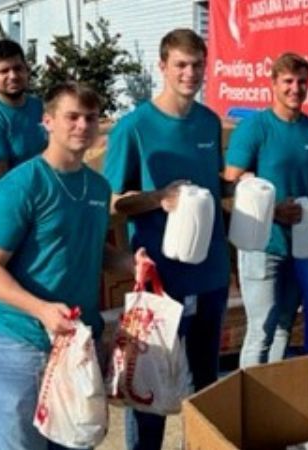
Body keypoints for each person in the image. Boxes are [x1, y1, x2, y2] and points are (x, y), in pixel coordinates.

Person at [0, 82, 127, 450]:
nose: (82, 126)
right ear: (48, 121)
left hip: (78, 343)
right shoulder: (21, 186)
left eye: (91, 118)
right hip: (22, 344)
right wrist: (41, 309)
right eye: (71, 117)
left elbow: (86, 248)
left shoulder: (97, 187)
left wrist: (129, 262)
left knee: (74, 441)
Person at [102, 28, 229, 450]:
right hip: (160, 279)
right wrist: (160, 198)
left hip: (209, 275)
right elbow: (114, 203)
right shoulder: (134, 127)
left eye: (197, 65)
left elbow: (218, 190)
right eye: (180, 65)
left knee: (206, 383)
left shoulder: (210, 122)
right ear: (162, 67)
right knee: (150, 387)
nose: (190, 73)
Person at [224, 53, 308, 368]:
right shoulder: (256, 127)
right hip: (262, 243)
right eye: (287, 81)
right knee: (261, 328)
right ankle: (247, 407)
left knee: (285, 325)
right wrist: (273, 210)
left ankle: (271, 398)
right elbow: (232, 180)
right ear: (273, 84)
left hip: (302, 246)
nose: (295, 89)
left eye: (302, 82)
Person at [0, 39, 49, 182]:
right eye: (4, 71)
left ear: (26, 70)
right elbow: (4, 182)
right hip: (16, 199)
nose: (13, 76)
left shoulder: (39, 107)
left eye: (18, 68)